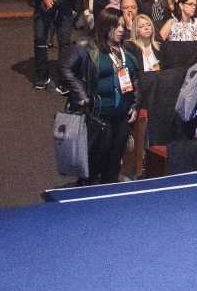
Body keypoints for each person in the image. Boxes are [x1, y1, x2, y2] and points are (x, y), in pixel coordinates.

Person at [60, 10, 142, 184]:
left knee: (113, 165)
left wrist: (135, 104)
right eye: (116, 26)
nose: (121, 29)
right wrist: (80, 92)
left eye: (122, 25)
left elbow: (135, 78)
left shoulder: (127, 49)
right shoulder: (86, 46)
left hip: (121, 115)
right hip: (97, 116)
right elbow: (65, 69)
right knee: (93, 165)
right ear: (105, 27)